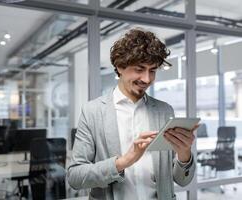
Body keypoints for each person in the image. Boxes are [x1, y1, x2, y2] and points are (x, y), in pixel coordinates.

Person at [67, 28, 196, 200]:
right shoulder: (93, 112)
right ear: (120, 66)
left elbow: (182, 180)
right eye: (139, 69)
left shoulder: (165, 111)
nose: (147, 79)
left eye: (152, 70)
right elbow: (75, 177)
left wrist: (184, 154)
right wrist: (124, 161)